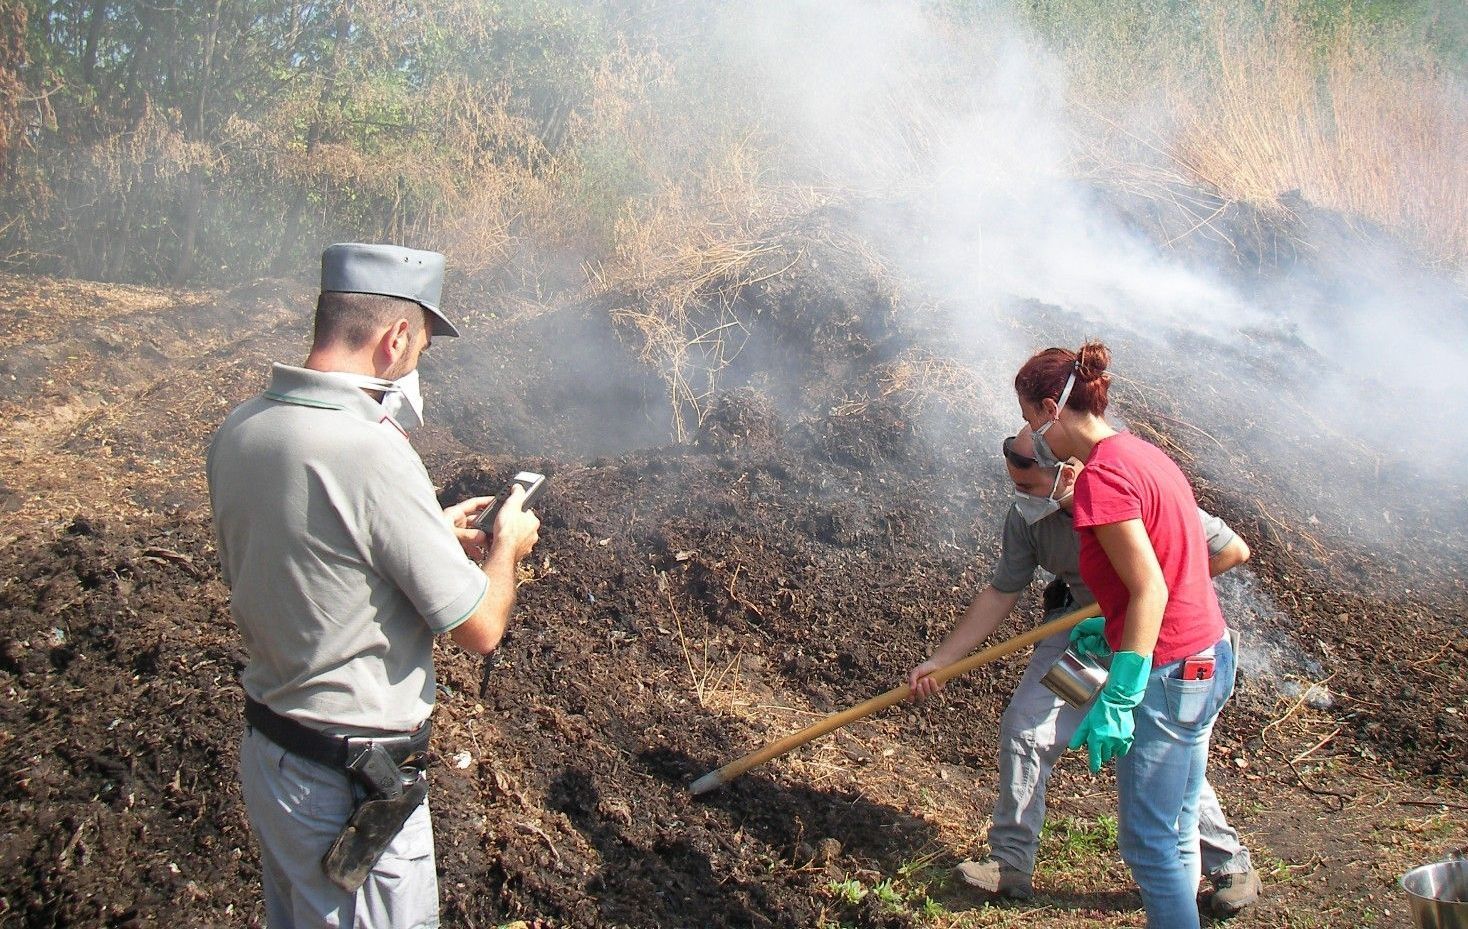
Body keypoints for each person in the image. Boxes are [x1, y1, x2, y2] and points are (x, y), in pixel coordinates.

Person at [207, 243, 541, 928]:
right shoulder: (370, 450)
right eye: (420, 344)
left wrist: (424, 532)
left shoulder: (242, 429)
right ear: (394, 337)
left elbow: (312, 555)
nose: (416, 362)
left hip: (273, 758)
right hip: (347, 788)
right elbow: (480, 628)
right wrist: (506, 548)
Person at [908, 427, 1262, 917]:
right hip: (1086, 641)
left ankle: (1227, 861)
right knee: (1027, 726)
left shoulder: (1122, 492)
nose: (1020, 498)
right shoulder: (1028, 520)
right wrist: (943, 660)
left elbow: (1231, 551)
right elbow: (1001, 592)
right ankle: (1011, 862)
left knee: (1162, 753)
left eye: (1028, 486)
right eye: (1015, 485)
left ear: (1067, 472)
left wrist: (1141, 595)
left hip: (1154, 643)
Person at [1002, 340, 1238, 929]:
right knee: (1177, 833)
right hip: (1210, 654)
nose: (1032, 434)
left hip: (1168, 671)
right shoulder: (1142, 454)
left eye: (1032, 419)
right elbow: (1166, 568)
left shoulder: (1103, 480)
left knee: (1150, 847)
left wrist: (1124, 690)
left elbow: (1151, 590)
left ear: (1052, 410)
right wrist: (1103, 627)